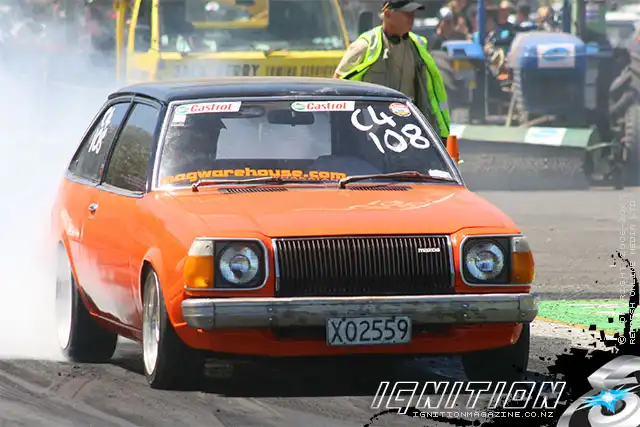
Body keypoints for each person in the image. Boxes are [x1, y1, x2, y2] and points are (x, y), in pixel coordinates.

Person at [333, 0, 451, 140]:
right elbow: (338, 86)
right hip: (371, 134)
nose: (412, 17)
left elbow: (430, 93)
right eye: (406, 13)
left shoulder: (417, 47)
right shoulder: (365, 46)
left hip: (409, 133)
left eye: (413, 13)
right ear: (388, 14)